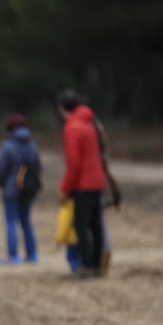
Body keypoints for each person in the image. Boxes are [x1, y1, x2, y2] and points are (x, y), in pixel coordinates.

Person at [58, 89, 107, 279]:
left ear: (62, 109)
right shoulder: (90, 123)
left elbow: (74, 163)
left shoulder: (72, 128)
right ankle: (97, 265)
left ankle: (85, 265)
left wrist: (64, 189)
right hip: (97, 182)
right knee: (96, 226)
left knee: (81, 226)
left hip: (83, 184)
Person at [0, 113, 41, 265]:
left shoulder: (7, 146)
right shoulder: (32, 145)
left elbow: (1, 169)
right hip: (28, 189)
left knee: (10, 222)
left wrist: (2, 183)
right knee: (26, 220)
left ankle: (13, 256)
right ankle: (32, 254)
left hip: (11, 189)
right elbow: (38, 167)